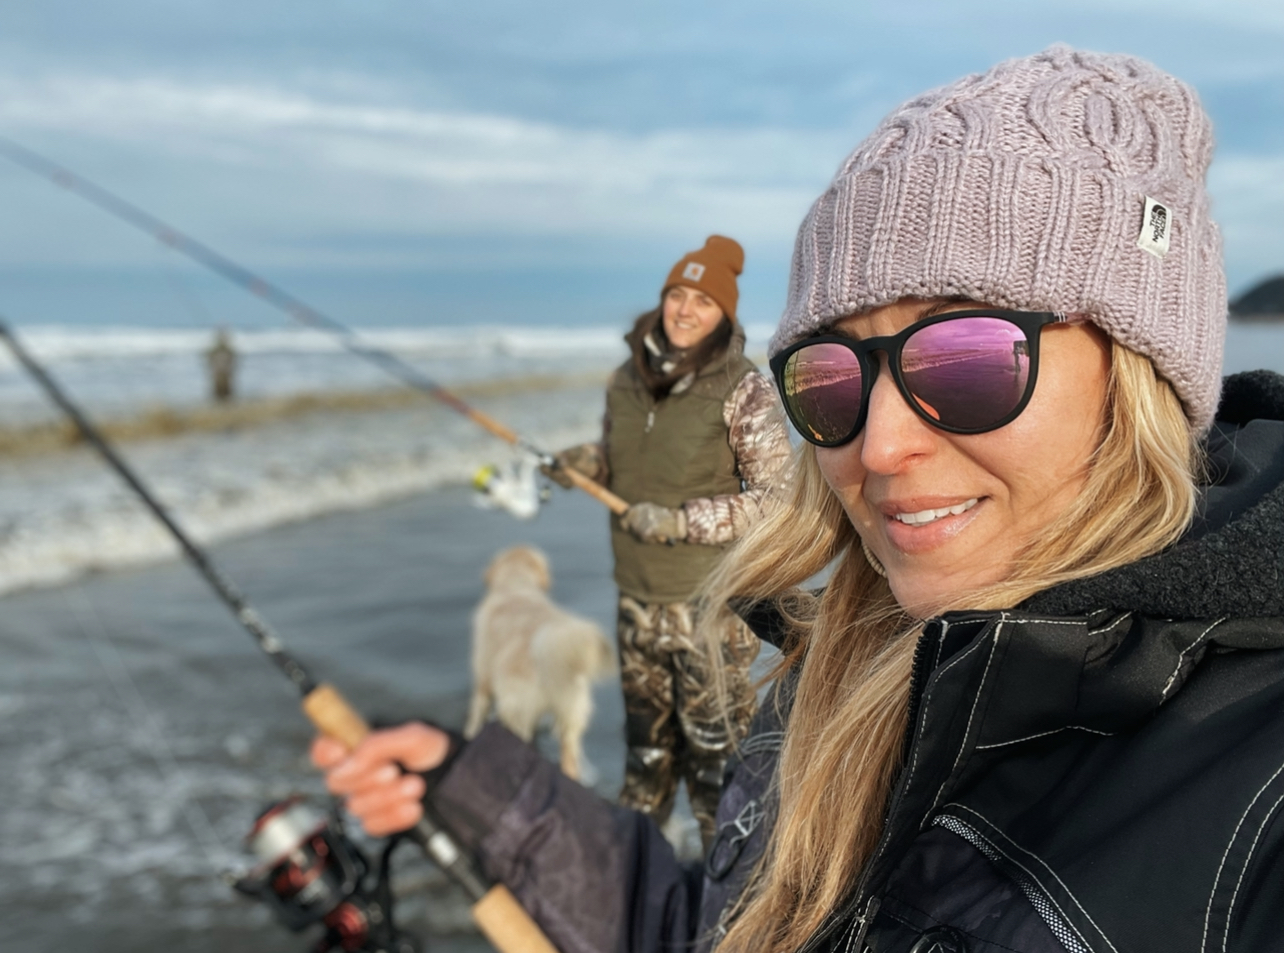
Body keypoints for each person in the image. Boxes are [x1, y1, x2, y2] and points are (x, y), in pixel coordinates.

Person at [313, 47, 1284, 952]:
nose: (882, 444)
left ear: (1140, 376)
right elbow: (714, 925)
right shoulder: (841, 674)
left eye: (967, 357)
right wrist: (482, 790)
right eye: (827, 380)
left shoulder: (1254, 787)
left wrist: (663, 519)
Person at [541, 234, 793, 848]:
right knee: (645, 764)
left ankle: (724, 905)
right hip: (636, 603)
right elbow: (627, 460)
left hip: (708, 611)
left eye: (702, 302)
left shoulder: (743, 387)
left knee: (717, 773)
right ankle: (632, 885)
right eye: (677, 294)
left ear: (723, 316)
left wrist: (683, 522)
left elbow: (778, 499)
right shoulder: (625, 380)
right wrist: (586, 462)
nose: (685, 310)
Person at [206, 327, 236, 402]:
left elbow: (232, 360)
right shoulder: (214, 351)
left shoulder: (228, 350)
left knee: (227, 391)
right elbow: (209, 360)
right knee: (218, 391)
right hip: (218, 373)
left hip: (225, 373)